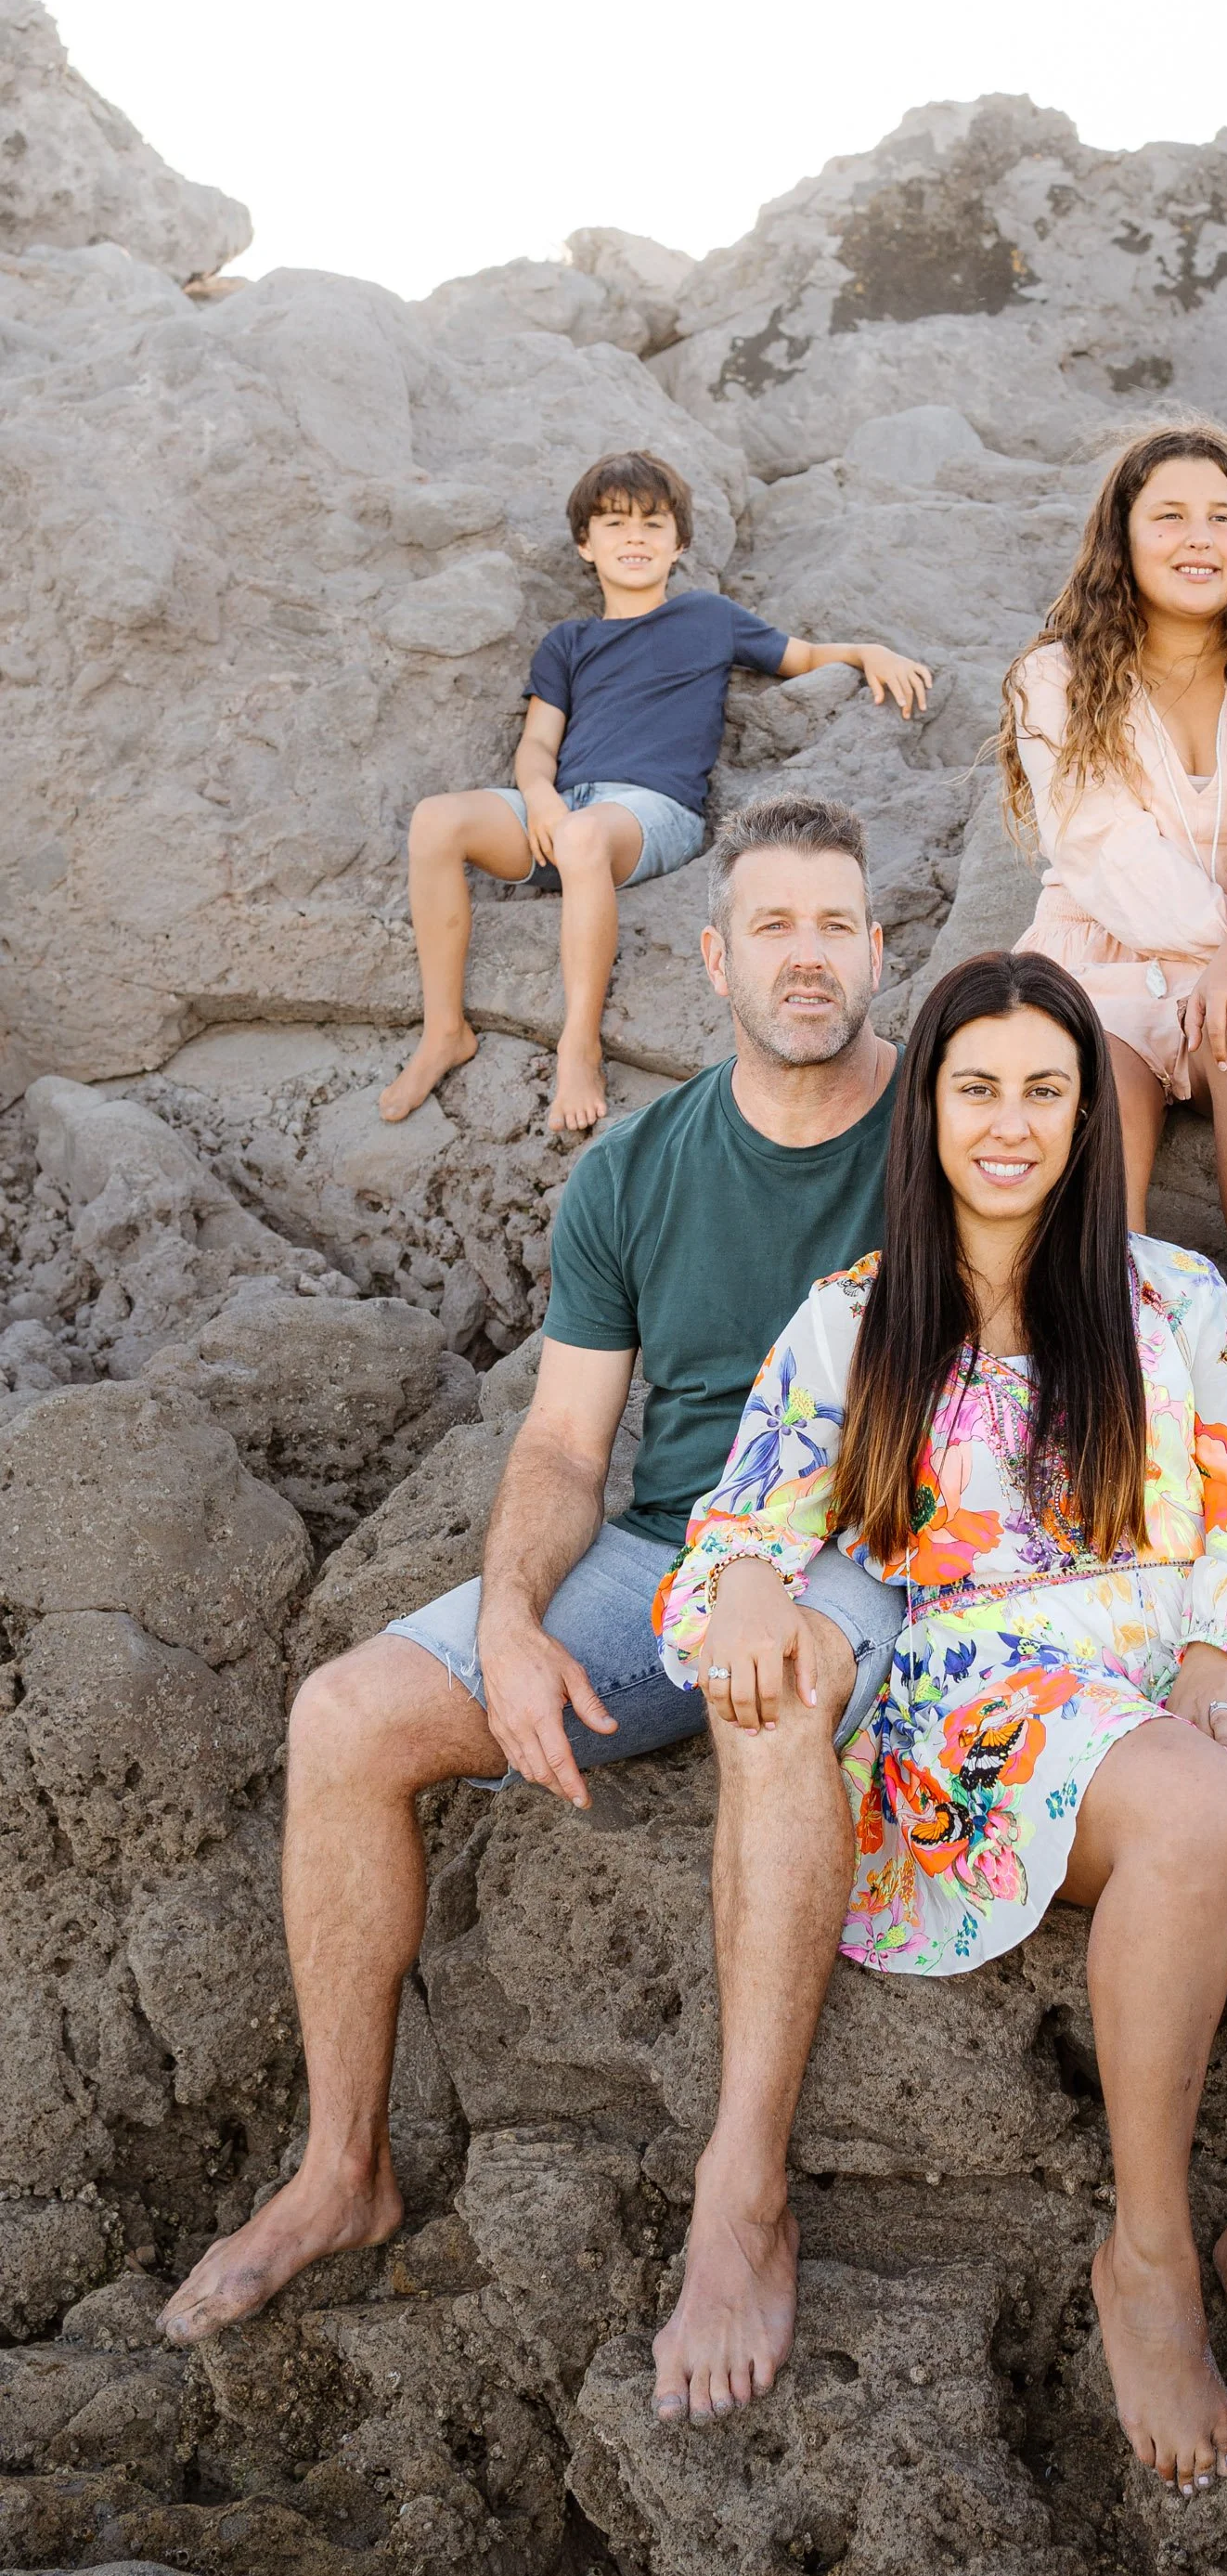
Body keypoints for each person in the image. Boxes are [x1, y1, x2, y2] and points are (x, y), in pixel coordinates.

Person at [158, 796, 910, 2348]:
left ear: (882, 949)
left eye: (837, 924)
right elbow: (569, 1446)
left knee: (774, 1686)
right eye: (773, 924)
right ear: (712, 958)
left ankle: (741, 2194)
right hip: (670, 1552)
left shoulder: (952, 1133)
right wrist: (506, 1621)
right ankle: (341, 2168)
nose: (808, 955)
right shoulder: (637, 1166)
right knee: (346, 1719)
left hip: (869, 1553)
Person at [652, 950, 1227, 2496]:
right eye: (977, 1087)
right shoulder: (859, 1325)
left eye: (1045, 1090)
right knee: (1191, 1807)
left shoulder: (1170, 1297)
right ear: (926, 1108)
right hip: (987, 1691)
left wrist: (1206, 1651)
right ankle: (1151, 2252)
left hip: (1195, 1634)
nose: (1011, 1122)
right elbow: (738, 1533)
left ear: (1083, 1116)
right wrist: (733, 1601)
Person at [1000, 423, 1227, 1498]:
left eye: (1222, 515)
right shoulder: (1052, 679)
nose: (1197, 537)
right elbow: (1102, 849)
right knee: (1088, 1101)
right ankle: (1117, 1380)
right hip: (1101, 959)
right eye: (1168, 514)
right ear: (1122, 535)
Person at [380, 450, 933, 1135]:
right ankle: (444, 1032)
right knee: (437, 820)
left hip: (651, 813)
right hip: (566, 806)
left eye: (652, 524)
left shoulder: (709, 617)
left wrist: (867, 651)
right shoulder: (568, 642)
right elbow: (536, 748)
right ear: (586, 543)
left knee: (583, 837)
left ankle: (578, 1045)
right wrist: (543, 800)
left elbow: (805, 656)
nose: (634, 538)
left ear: (680, 543)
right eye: (614, 524)